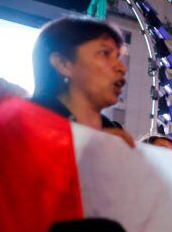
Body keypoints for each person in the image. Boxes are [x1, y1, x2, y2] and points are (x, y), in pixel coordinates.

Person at [30, 16, 133, 147]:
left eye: (118, 56)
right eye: (104, 53)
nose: (122, 68)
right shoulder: (19, 126)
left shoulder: (116, 139)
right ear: (63, 64)